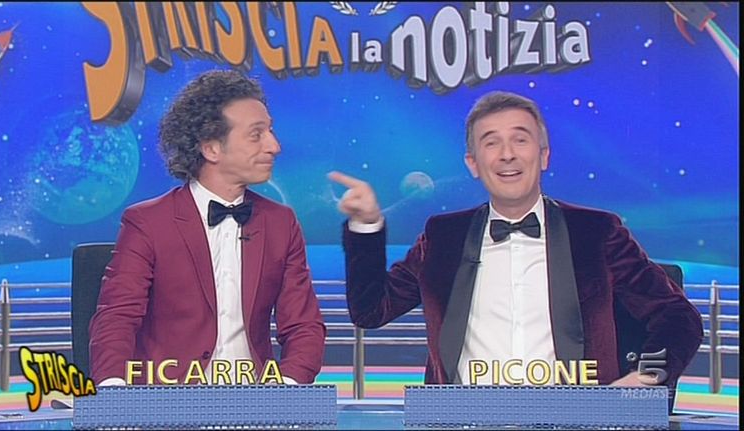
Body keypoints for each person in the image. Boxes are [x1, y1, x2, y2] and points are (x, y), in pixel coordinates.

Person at [329, 91, 702, 388]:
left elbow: (677, 316)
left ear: (544, 156)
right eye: (491, 143)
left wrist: (648, 376)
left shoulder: (596, 232)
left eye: (520, 140)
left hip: (577, 418)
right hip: (463, 418)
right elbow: (371, 311)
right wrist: (366, 226)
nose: (507, 155)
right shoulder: (443, 237)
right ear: (473, 163)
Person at [89, 70, 325, 385]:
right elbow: (117, 316)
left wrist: (285, 390)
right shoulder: (148, 223)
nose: (274, 146)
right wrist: (113, 389)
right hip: (168, 400)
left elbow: (304, 326)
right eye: (256, 135)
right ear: (211, 148)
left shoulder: (281, 223)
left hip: (255, 400)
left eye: (270, 131)